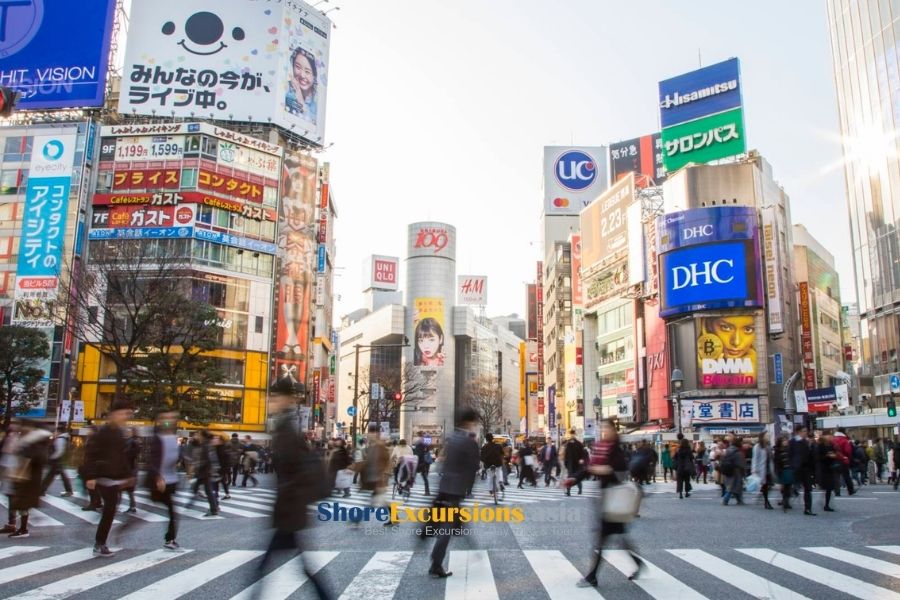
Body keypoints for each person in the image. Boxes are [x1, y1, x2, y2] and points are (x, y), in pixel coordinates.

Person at [255, 379, 332, 600]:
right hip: (291, 510)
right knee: (297, 565)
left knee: (266, 566)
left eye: (275, 397)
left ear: (287, 399)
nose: (270, 401)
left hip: (289, 511)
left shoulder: (287, 428)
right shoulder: (287, 425)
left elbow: (293, 471)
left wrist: (288, 504)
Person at [577, 419, 645, 588]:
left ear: (614, 430)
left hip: (614, 499)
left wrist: (605, 470)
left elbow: (621, 473)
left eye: (606, 428)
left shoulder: (616, 450)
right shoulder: (600, 448)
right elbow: (589, 469)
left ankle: (592, 576)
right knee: (618, 536)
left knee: (602, 539)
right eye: (602, 428)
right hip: (607, 498)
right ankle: (637, 563)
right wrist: (573, 479)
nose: (604, 431)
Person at [426, 408, 480, 578]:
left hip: (444, 487)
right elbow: (473, 468)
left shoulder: (451, 438)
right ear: (470, 422)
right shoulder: (469, 442)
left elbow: (442, 463)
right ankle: (436, 563)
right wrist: (469, 489)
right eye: (474, 422)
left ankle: (434, 555)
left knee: (447, 522)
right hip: (456, 490)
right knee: (447, 526)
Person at [83, 403, 135, 557]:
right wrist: (91, 476)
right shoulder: (102, 433)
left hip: (114, 477)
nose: (124, 417)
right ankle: (100, 543)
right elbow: (91, 455)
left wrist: (128, 475)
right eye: (122, 414)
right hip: (103, 476)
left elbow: (122, 457)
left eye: (126, 414)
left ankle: (100, 541)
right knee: (110, 509)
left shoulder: (119, 433)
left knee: (110, 509)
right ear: (112, 415)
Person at [6, 423, 51, 538]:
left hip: (27, 479)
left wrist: (19, 474)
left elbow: (28, 460)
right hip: (29, 478)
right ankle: (21, 526)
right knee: (22, 503)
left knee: (22, 503)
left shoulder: (34, 444)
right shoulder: (37, 444)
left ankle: (23, 529)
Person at [145, 411, 182, 550]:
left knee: (172, 512)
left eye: (172, 418)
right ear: (160, 420)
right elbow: (152, 460)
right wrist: (157, 476)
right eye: (166, 418)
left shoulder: (174, 437)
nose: (170, 420)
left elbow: (174, 457)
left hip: (169, 481)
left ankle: (170, 539)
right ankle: (122, 530)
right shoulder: (157, 438)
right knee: (144, 513)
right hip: (158, 482)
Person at [285, 46, 319, 124]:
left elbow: (313, 123)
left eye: (307, 71)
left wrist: (300, 100)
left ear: (314, 76)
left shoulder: (317, 100)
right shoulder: (286, 89)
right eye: (298, 67)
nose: (302, 75)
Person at [789, 427, 816, 516]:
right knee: (793, 485)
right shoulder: (793, 442)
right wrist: (792, 466)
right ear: (798, 432)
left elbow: (810, 455)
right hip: (797, 468)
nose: (805, 433)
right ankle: (787, 498)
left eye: (806, 431)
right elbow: (790, 455)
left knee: (808, 489)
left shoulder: (806, 442)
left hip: (806, 468)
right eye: (804, 431)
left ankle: (808, 508)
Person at [41, 425, 73, 496]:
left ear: (59, 431)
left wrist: (52, 457)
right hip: (59, 460)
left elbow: (59, 451)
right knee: (58, 476)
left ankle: (42, 490)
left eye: (56, 431)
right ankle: (69, 491)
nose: (55, 433)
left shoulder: (60, 439)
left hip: (56, 460)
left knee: (50, 476)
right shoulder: (64, 438)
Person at [815, 433, 839, 512]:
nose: (830, 437)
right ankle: (825, 503)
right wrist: (827, 455)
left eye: (831, 436)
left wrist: (834, 455)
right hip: (823, 469)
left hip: (830, 468)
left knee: (829, 488)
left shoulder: (832, 445)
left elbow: (836, 454)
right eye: (829, 436)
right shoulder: (820, 446)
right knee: (827, 487)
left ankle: (826, 504)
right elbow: (818, 457)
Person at [751, 432, 775, 509]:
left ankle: (764, 498)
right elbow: (755, 459)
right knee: (765, 485)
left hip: (768, 468)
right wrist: (754, 469)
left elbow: (771, 458)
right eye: (766, 436)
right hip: (761, 469)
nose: (768, 437)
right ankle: (766, 502)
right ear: (762, 437)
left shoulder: (768, 446)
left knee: (768, 485)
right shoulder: (757, 447)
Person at [721, 435, 745, 506]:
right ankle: (726, 500)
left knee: (731, 487)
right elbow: (740, 463)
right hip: (736, 471)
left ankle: (739, 500)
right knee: (735, 487)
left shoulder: (728, 450)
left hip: (727, 470)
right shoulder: (738, 452)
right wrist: (743, 472)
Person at [122, 427, 141, 514]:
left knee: (129, 489)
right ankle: (132, 506)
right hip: (131, 468)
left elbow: (130, 454)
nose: (127, 433)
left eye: (129, 431)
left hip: (131, 468)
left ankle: (132, 506)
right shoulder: (134, 441)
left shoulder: (133, 441)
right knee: (129, 490)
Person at [832, 428, 856, 496]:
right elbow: (848, 451)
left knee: (836, 476)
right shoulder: (845, 440)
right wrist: (847, 457)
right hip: (843, 460)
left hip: (834, 459)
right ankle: (850, 490)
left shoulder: (833, 439)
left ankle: (837, 491)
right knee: (846, 476)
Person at [563, 430, 586, 496]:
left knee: (577, 477)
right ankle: (568, 491)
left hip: (577, 463)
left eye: (573, 434)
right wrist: (565, 462)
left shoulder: (579, 443)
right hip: (570, 463)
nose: (572, 435)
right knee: (569, 477)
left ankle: (580, 489)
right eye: (571, 434)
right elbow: (566, 454)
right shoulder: (568, 443)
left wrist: (582, 459)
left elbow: (583, 453)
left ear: (575, 435)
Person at [772, 436, 792, 511]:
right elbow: (776, 462)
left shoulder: (789, 449)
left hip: (789, 469)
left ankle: (786, 501)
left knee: (788, 486)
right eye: (784, 441)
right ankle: (785, 501)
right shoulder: (778, 451)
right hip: (782, 470)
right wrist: (778, 470)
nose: (785, 442)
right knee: (785, 486)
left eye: (786, 440)